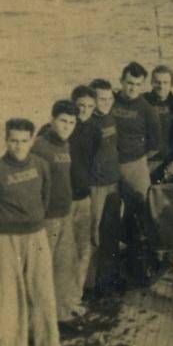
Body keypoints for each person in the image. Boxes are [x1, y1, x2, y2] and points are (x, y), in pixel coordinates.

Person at [0, 118, 60, 346]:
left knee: (42, 288)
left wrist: (35, 220)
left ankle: (48, 344)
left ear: (32, 141)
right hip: (6, 238)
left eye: (24, 141)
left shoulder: (41, 165)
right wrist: (1, 231)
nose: (19, 146)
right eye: (14, 141)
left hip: (36, 234)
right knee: (11, 293)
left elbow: (45, 196)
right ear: (6, 140)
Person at [30, 100, 84, 331]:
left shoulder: (65, 145)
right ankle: (38, 323)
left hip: (65, 214)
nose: (67, 127)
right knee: (43, 270)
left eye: (71, 123)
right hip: (47, 218)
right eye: (63, 121)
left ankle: (61, 313)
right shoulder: (40, 147)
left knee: (63, 267)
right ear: (52, 120)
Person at [111, 62, 161, 281]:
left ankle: (141, 266)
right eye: (129, 83)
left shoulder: (147, 109)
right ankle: (111, 267)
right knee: (109, 215)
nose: (132, 88)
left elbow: (155, 144)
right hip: (109, 166)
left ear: (143, 86)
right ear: (121, 81)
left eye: (138, 85)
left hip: (135, 165)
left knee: (141, 215)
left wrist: (137, 159)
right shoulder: (110, 101)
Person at [87, 79, 123, 295]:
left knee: (111, 231)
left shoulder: (110, 116)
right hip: (96, 185)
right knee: (94, 233)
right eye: (102, 99)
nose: (107, 102)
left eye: (110, 98)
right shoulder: (88, 122)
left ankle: (109, 278)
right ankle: (91, 284)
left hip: (113, 183)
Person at [68, 86, 100, 305]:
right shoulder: (63, 126)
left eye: (90, 106)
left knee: (83, 249)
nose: (85, 110)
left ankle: (76, 296)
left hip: (83, 197)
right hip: (62, 201)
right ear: (73, 104)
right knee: (63, 252)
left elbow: (91, 161)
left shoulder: (95, 131)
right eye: (81, 105)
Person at [143, 65, 173, 179]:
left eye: (165, 82)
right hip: (149, 161)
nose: (161, 86)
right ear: (151, 82)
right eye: (157, 82)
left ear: (171, 84)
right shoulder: (143, 101)